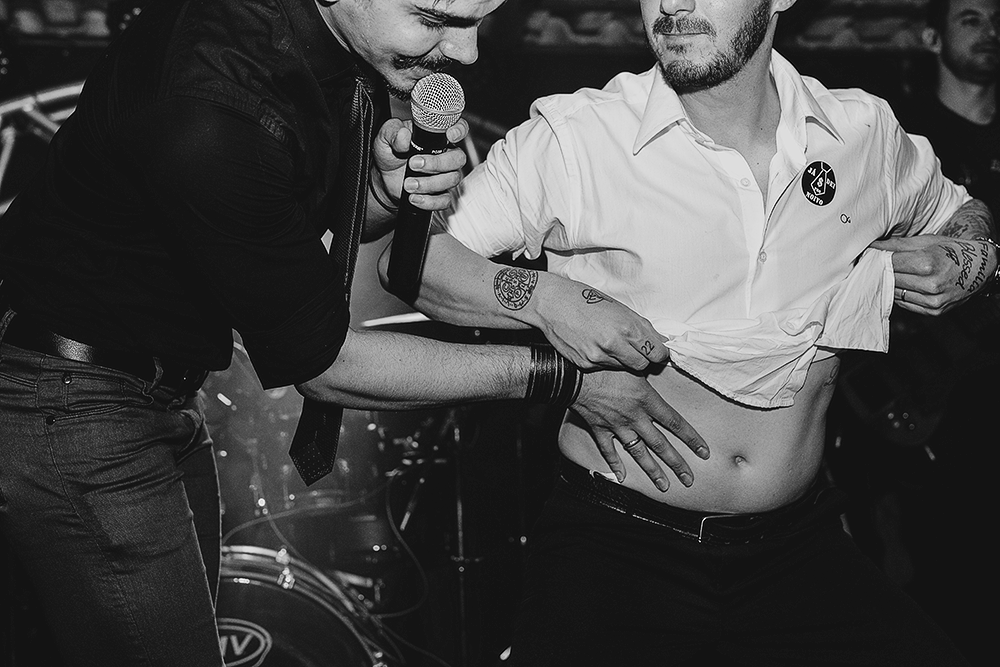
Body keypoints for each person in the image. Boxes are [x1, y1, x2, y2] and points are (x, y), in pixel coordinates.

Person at [0, 1, 711, 665]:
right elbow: (326, 361)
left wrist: (378, 193)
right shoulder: (212, 105)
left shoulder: (323, 46)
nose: (462, 51)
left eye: (478, 23)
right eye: (436, 18)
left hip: (149, 394)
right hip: (73, 404)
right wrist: (560, 373)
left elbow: (303, 226)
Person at [384, 0, 998, 664]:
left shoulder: (862, 133)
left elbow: (962, 211)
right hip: (617, 548)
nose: (674, 5)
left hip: (799, 548)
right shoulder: (578, 136)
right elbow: (416, 260)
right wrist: (545, 298)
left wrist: (973, 259)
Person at [830, 1, 999, 661]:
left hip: (985, 395)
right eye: (971, 18)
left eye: (998, 18)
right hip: (909, 397)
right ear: (931, 35)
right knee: (929, 589)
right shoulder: (901, 140)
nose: (991, 31)